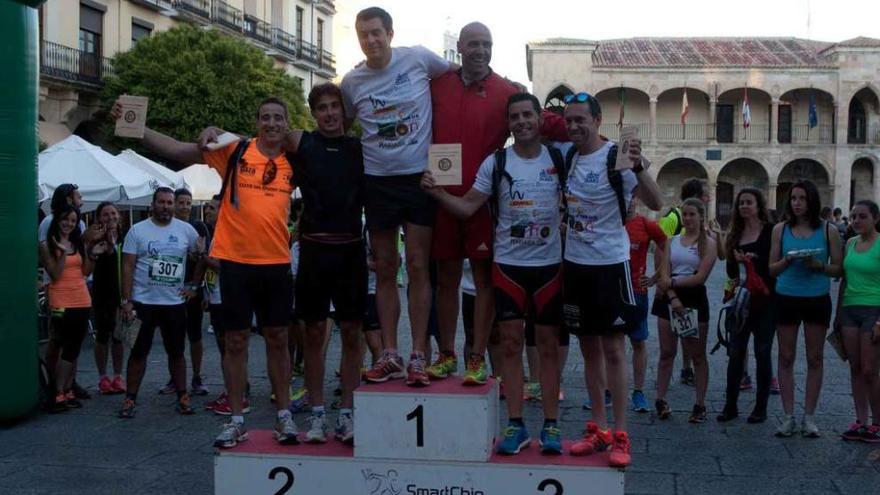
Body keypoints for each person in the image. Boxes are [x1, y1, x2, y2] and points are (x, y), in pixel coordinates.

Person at [111, 96, 298, 447]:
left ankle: (284, 415)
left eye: (278, 118)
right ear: (257, 122)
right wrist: (137, 127)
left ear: (286, 123)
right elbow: (181, 150)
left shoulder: (295, 158)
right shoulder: (236, 150)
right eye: (265, 117)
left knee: (279, 340)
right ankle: (237, 418)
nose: (272, 123)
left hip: (276, 263)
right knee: (236, 341)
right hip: (236, 263)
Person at [422, 92, 565, 455]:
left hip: (550, 268)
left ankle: (551, 424)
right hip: (510, 268)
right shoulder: (497, 162)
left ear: (539, 118)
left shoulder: (559, 157)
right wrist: (436, 192)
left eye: (527, 115)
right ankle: (515, 424)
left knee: (548, 348)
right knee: (511, 346)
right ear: (509, 123)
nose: (521, 122)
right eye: (515, 117)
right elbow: (469, 206)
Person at [341, 7, 453, 386]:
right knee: (386, 268)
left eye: (376, 33)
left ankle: (419, 353)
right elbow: (341, 122)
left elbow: (454, 80)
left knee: (419, 266)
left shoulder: (418, 57)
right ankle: (390, 353)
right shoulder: (352, 81)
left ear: (390, 32)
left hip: (419, 178)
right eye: (363, 35)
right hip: (377, 181)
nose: (371, 41)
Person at [556, 91, 663, 468]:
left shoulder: (617, 155)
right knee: (588, 351)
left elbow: (656, 201)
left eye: (580, 119)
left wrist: (637, 166)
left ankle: (620, 433)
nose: (574, 126)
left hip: (610, 264)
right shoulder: (567, 156)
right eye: (569, 120)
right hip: (576, 265)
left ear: (597, 120)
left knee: (615, 350)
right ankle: (598, 429)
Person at [281, 83, 366, 445]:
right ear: (314, 113)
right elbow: (257, 139)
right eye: (323, 108)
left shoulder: (361, 149)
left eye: (336, 107)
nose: (330, 113)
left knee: (352, 334)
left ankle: (346, 413)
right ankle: (317, 414)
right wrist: (215, 134)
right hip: (314, 250)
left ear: (347, 114)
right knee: (313, 335)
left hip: (351, 250)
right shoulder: (301, 143)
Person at [118, 187, 203, 419]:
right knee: (137, 353)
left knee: (176, 352)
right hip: (143, 302)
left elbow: (202, 256)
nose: (165, 206)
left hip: (174, 303)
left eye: (169, 203)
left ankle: (183, 395)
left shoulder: (186, 230)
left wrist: (194, 286)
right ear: (153, 204)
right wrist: (126, 301)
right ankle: (130, 398)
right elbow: (127, 266)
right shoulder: (137, 231)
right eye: (161, 202)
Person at [769, 180, 842, 437]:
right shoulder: (780, 229)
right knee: (786, 356)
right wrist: (787, 260)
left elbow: (838, 268)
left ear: (811, 201)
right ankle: (788, 416)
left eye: (801, 198)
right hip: (786, 296)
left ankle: (809, 416)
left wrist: (819, 266)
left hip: (816, 298)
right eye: (793, 198)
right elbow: (771, 268)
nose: (796, 203)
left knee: (815, 357)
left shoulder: (828, 231)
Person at [652, 199, 717, 423]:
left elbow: (700, 277)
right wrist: (672, 296)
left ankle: (699, 403)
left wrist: (672, 286)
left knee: (697, 354)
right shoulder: (672, 241)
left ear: (701, 216)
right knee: (666, 353)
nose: (688, 218)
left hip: (693, 298)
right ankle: (660, 399)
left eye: (692, 214)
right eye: (685, 214)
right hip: (669, 298)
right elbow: (663, 272)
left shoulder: (709, 243)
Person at [717, 188, 776, 424]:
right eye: (740, 203)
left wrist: (754, 261)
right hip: (741, 301)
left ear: (758, 206)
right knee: (736, 352)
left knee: (763, 352)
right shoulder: (734, 234)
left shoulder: (771, 232)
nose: (744, 206)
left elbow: (773, 266)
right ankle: (730, 405)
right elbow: (731, 273)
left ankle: (760, 408)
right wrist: (737, 261)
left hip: (766, 300)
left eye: (748, 202)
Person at [39, 205, 96, 412]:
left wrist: (91, 253)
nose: (69, 224)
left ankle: (66, 389)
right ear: (57, 219)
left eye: (73, 221)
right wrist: (62, 253)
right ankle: (57, 391)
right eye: (65, 219)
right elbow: (54, 274)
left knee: (74, 348)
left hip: (81, 298)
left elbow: (86, 271)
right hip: (60, 301)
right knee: (64, 345)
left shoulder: (77, 242)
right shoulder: (47, 244)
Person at [156, 188, 210, 396]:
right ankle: (174, 378)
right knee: (172, 337)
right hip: (169, 289)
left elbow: (204, 258)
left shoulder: (199, 227)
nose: (185, 207)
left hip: (192, 288)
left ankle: (197, 377)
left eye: (189, 203)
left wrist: (198, 287)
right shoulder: (165, 227)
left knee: (195, 334)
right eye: (181, 203)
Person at [836, 200, 880, 443]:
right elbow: (843, 280)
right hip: (850, 309)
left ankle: (877, 422)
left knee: (870, 370)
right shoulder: (851, 243)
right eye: (853, 216)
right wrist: (838, 315)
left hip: (875, 309)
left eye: (862, 216)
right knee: (854, 367)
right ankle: (861, 421)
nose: (856, 221)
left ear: (875, 218)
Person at [623, 197, 667, 412]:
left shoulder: (645, 224)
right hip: (611, 292)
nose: (628, 202)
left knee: (638, 342)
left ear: (636, 200)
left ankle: (638, 392)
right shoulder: (609, 222)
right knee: (609, 345)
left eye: (631, 198)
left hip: (637, 291)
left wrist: (656, 276)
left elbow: (667, 245)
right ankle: (607, 392)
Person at [90, 201, 127, 395]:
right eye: (106, 214)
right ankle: (103, 376)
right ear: (99, 218)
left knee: (119, 337)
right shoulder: (95, 239)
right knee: (102, 336)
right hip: (101, 292)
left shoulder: (125, 237)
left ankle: (118, 376)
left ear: (119, 216)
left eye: (113, 213)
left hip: (120, 294)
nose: (110, 217)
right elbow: (88, 263)